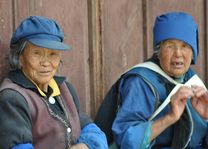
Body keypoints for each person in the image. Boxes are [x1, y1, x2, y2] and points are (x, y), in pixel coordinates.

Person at [0, 16, 108, 149]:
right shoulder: (13, 98)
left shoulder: (65, 89)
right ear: (19, 57)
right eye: (37, 53)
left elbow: (93, 131)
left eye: (53, 54)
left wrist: (86, 145)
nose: (46, 63)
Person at [111, 12, 208, 148]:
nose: (178, 54)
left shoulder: (191, 80)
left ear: (193, 52)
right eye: (170, 46)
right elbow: (126, 140)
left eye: (185, 46)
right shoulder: (140, 82)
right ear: (158, 50)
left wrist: (206, 117)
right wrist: (170, 117)